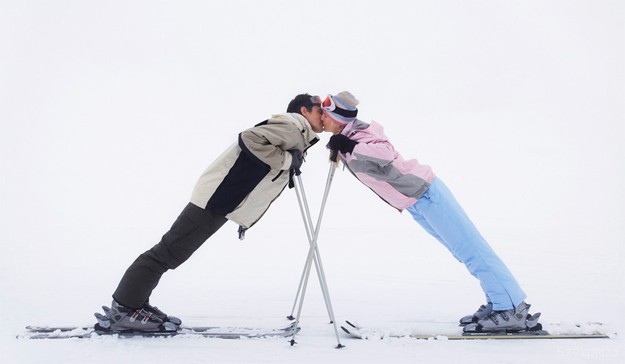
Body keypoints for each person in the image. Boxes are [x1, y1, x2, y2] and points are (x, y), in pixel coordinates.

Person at [99, 94, 324, 332]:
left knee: (170, 252)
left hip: (223, 199)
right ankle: (124, 309)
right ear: (305, 110)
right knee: (167, 252)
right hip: (216, 198)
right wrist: (288, 160)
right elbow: (250, 138)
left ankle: (135, 304)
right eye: (320, 110)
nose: (323, 116)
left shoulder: (295, 131)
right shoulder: (292, 126)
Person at [321, 91, 538, 333]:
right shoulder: (348, 136)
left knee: (472, 249)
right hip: (415, 202)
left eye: (325, 114)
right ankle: (499, 302)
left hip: (427, 193)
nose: (322, 118)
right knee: (463, 252)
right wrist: (343, 146)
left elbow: (385, 153)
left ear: (337, 118)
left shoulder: (361, 134)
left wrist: (350, 145)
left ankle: (511, 309)